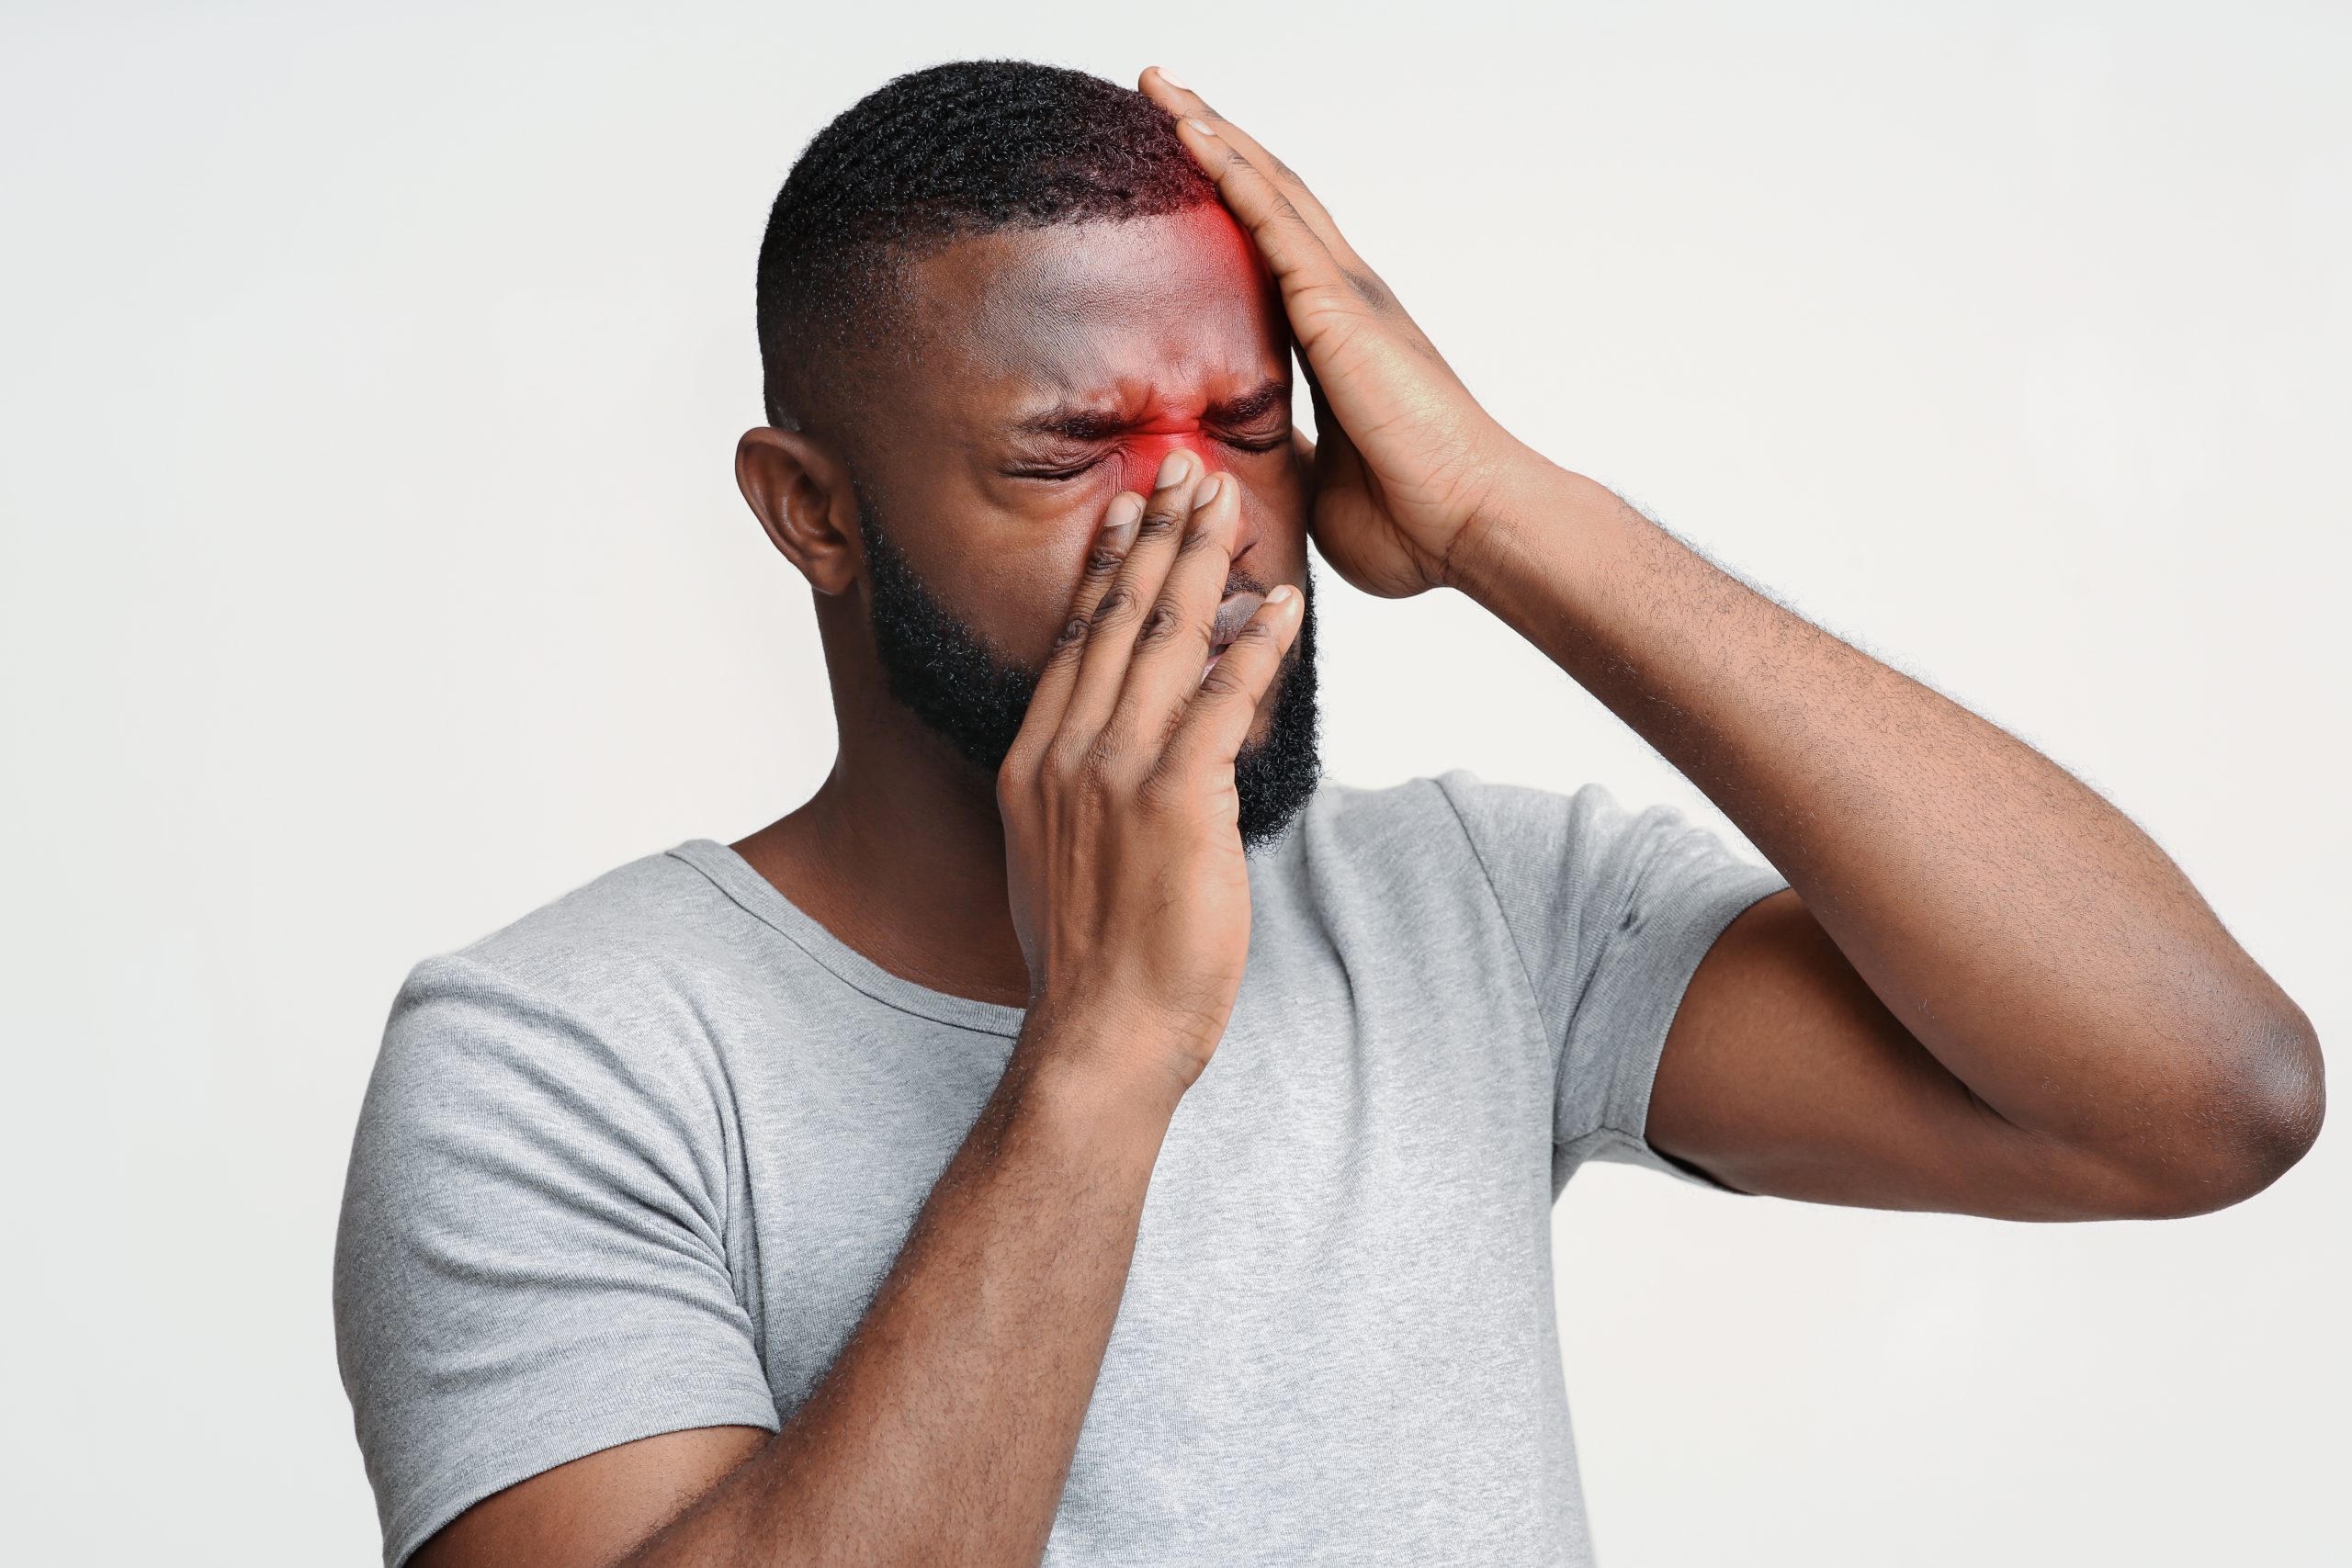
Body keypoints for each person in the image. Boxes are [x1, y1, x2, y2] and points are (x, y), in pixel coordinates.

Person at [333, 60, 2324, 1568]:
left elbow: (2195, 1090)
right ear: (814, 511)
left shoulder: (1463, 904)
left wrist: (1495, 510)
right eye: (1074, 449)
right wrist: (1102, 1050)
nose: (1199, 522)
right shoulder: (556, 1056)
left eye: (1251, 429)